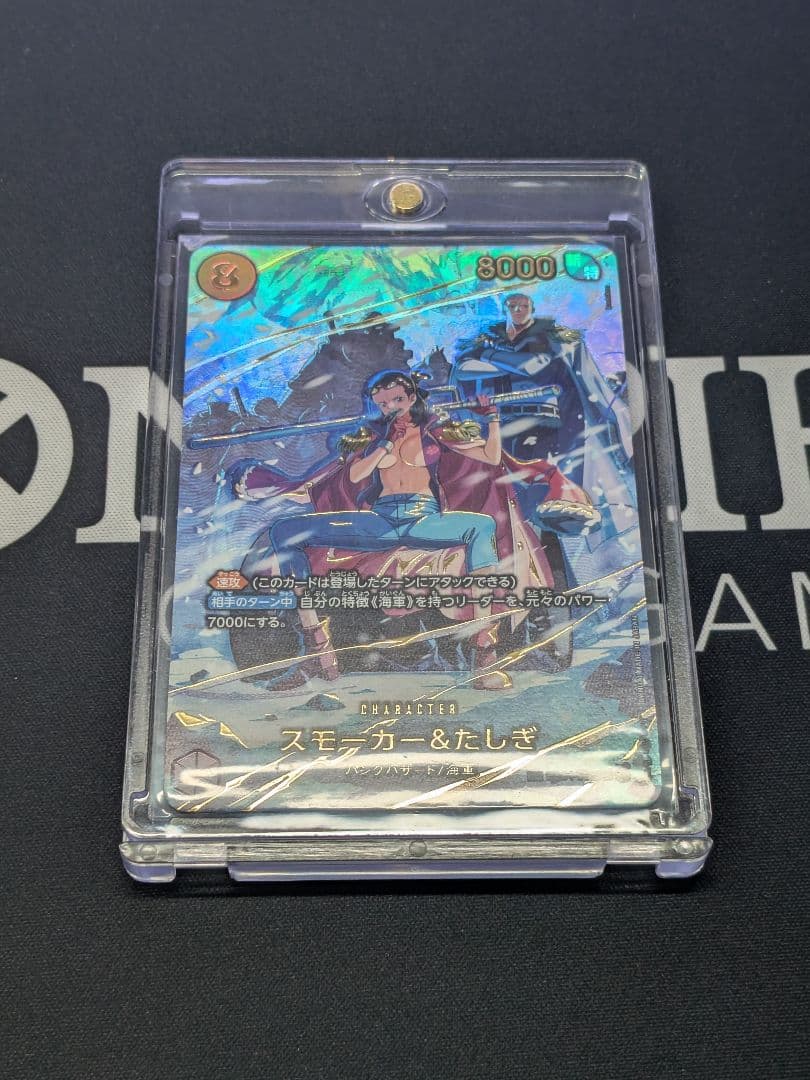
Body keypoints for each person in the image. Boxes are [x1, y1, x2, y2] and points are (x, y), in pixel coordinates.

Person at [235, 369, 592, 691]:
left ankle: (484, 650)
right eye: (383, 404)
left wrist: (493, 419)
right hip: (380, 523)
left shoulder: (438, 433)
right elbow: (356, 476)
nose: (391, 408)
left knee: (481, 526)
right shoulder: (370, 439)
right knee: (286, 531)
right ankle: (317, 646)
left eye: (397, 400)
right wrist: (384, 444)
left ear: (412, 399)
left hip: (424, 520)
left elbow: (490, 457)